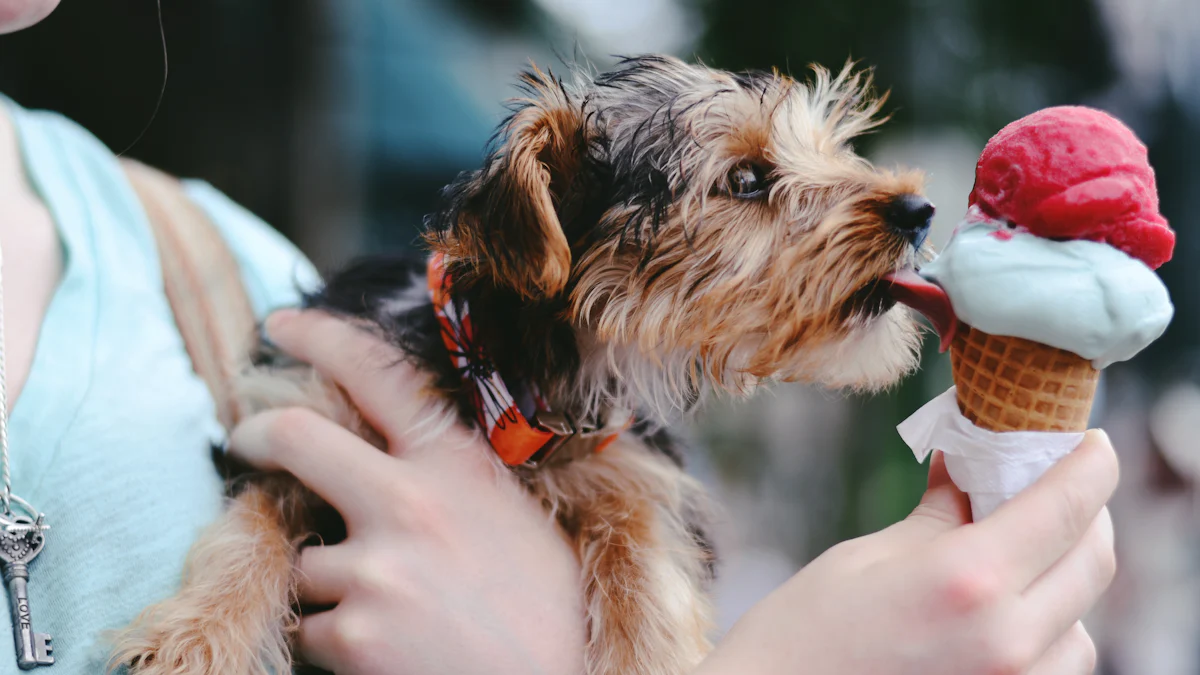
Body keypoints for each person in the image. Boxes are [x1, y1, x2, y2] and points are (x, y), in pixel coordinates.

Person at [1, 1, 1116, 674]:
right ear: (549, 224)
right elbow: (273, 489)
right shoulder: (323, 336)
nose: (893, 202)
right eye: (748, 183)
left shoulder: (218, 270)